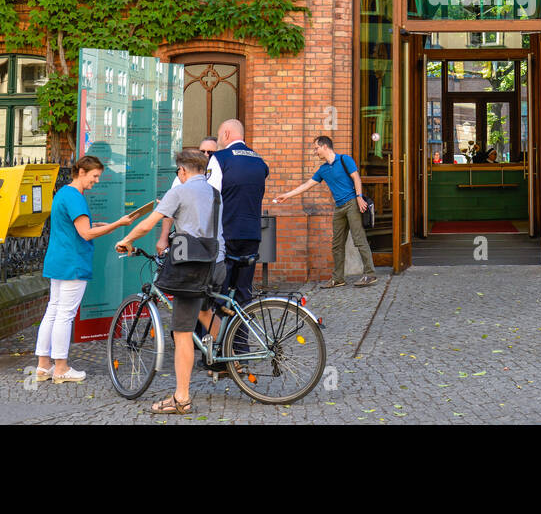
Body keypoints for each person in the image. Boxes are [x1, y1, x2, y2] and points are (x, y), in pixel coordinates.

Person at [116, 149, 223, 414]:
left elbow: (147, 224)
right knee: (205, 311)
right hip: (215, 261)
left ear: (183, 171)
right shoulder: (214, 193)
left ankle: (182, 398)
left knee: (182, 331)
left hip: (191, 267)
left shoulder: (180, 191)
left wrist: (126, 241)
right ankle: (219, 353)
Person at [34, 155, 133, 383]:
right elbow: (85, 233)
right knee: (65, 315)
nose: (96, 181)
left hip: (58, 259)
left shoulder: (63, 193)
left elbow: (78, 226)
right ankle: (61, 368)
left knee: (53, 310)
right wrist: (118, 224)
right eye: (95, 176)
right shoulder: (76, 198)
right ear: (81, 172)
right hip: (73, 262)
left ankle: (43, 366)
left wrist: (99, 225)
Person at [273, 135, 376, 288]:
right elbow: (307, 185)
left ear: (325, 147)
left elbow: (356, 178)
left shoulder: (344, 159)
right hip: (339, 207)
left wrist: (359, 197)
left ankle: (370, 274)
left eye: (316, 148)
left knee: (359, 239)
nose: (315, 152)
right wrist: (287, 196)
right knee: (336, 244)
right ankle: (338, 278)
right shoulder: (323, 170)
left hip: (352, 204)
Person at [206, 119, 267, 307]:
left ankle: (219, 334)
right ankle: (240, 336)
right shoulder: (259, 160)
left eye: (219, 137)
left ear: (226, 134)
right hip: (252, 234)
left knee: (220, 291)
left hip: (226, 232)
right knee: (243, 291)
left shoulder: (220, 158)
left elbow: (210, 196)